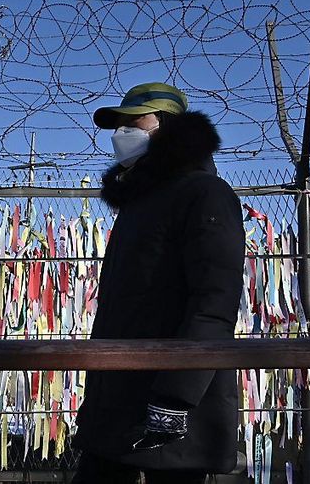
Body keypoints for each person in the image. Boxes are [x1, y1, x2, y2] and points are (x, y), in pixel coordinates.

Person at [72, 82, 245, 484]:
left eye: (135, 123)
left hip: (174, 410)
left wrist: (175, 400)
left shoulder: (204, 194)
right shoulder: (138, 204)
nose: (122, 134)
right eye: (119, 125)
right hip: (117, 400)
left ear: (169, 127)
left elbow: (214, 302)